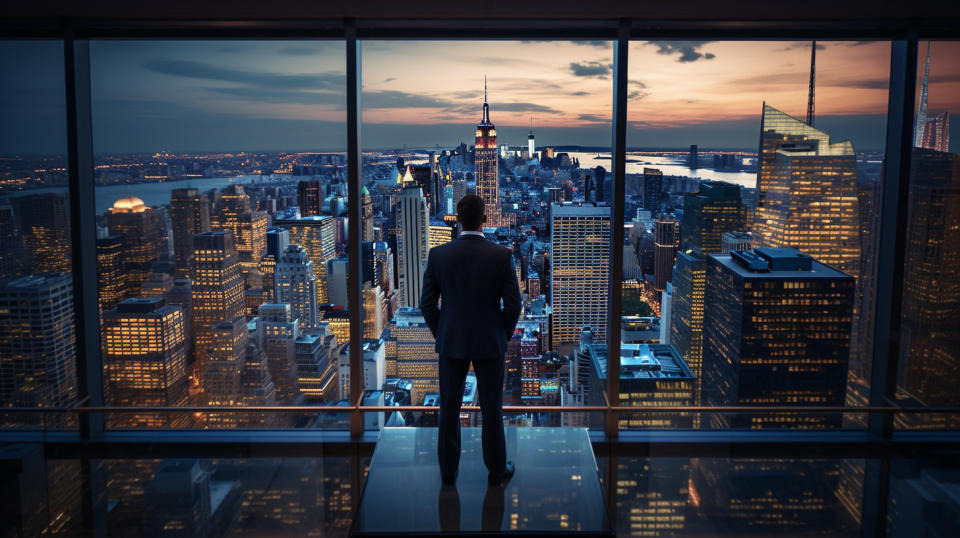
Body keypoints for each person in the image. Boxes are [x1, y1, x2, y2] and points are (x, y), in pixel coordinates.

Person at [420, 194, 522, 487]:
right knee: (492, 408)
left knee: (449, 408)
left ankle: (448, 473)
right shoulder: (501, 255)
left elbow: (427, 304)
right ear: (485, 220)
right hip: (490, 342)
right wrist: (500, 334)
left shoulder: (439, 255)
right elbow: (513, 306)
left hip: (452, 342)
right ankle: (496, 470)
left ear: (458, 221)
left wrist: (444, 332)